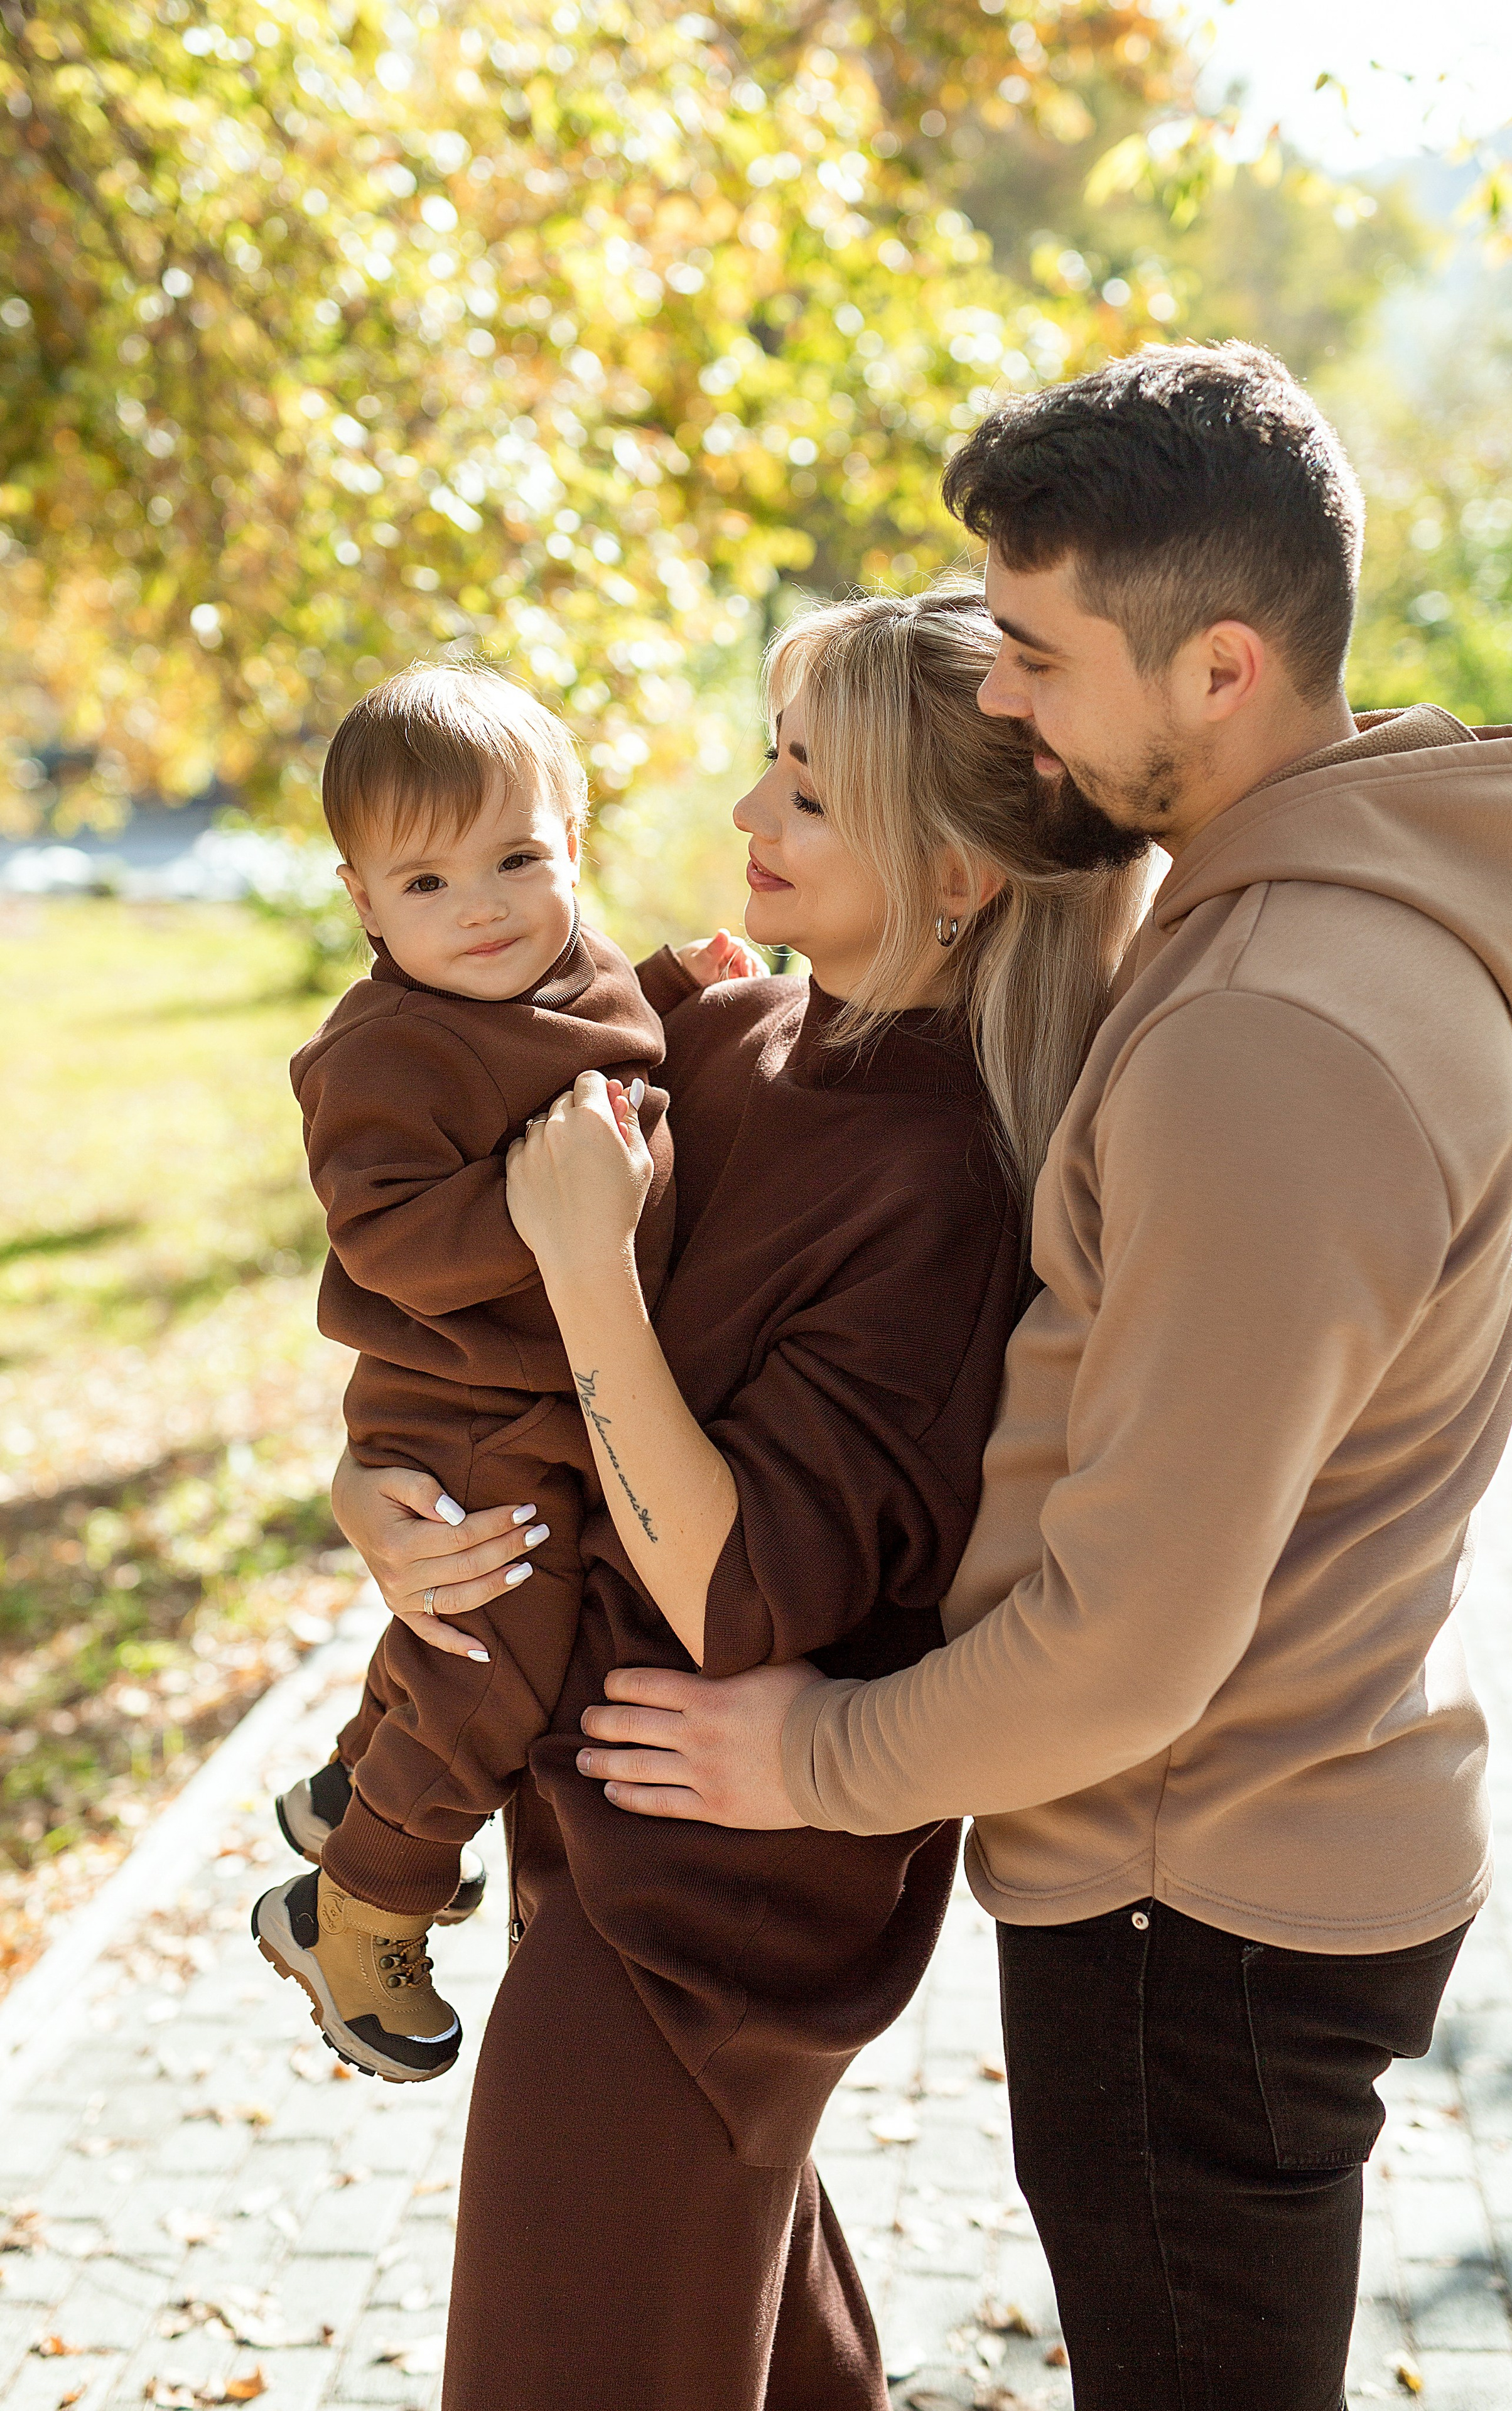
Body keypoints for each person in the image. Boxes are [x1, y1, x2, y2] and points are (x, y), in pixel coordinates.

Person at [570, 345, 1512, 2410]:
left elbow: (1134, 1641)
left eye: (1037, 655)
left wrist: (812, 1760)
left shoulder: (1272, 1032)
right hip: (1241, 1874)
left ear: (1220, 669)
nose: (1001, 698)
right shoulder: (1292, 935)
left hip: (1190, 1902)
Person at [329, 585, 1148, 2408]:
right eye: (773, 766)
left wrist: (590, 1269)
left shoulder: (940, 1175)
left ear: (959, 876)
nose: (749, 819)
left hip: (711, 1906)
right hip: (595, 1814)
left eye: (811, 791)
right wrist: (367, 1486)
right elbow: (472, 1333)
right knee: (762, 2351)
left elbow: (731, 1593)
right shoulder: (734, 1033)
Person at [252, 661, 674, 2084]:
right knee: (494, 1664)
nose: (482, 905)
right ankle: (360, 1903)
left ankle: (343, 1791)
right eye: (424, 885)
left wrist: (693, 989)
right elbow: (387, 1238)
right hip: (467, 1406)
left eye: (516, 858)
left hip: (550, 1393)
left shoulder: (577, 969)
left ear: (573, 845)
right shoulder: (384, 1053)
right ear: (362, 902)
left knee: (457, 1635)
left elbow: (616, 1046)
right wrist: (547, 1218)